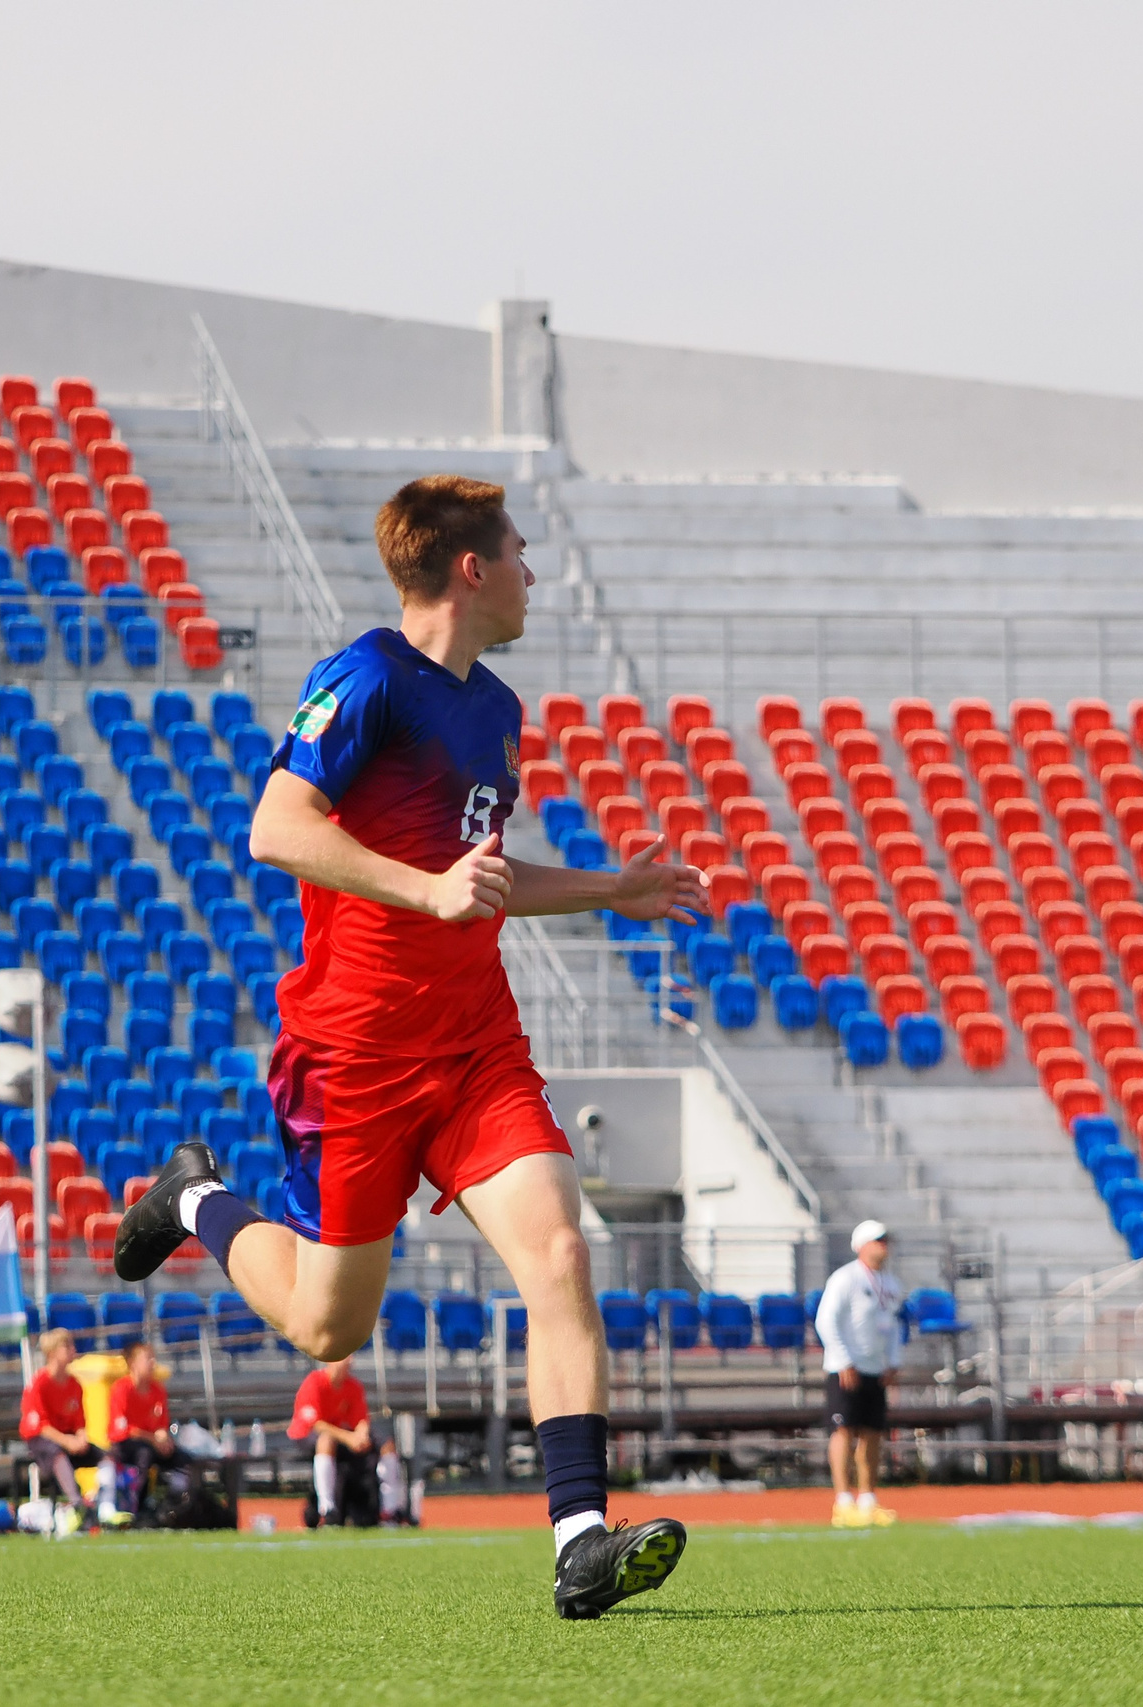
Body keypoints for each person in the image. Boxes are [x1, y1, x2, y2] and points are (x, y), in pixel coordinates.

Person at [114, 475, 705, 1617]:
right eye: (520, 553)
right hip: (355, 1061)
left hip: (477, 1050)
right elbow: (277, 825)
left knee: (562, 1259)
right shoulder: (366, 678)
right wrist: (422, 891)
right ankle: (195, 1201)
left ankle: (579, 1542)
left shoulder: (495, 709)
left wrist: (609, 890)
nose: (535, 572)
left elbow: (477, 882)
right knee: (328, 1328)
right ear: (470, 570)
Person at [815, 1219, 904, 1528]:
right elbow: (827, 1320)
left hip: (875, 1368)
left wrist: (893, 1361)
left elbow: (893, 1327)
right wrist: (843, 1361)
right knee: (844, 1431)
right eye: (878, 1240)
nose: (884, 1246)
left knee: (873, 1433)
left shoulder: (890, 1283)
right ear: (862, 1245)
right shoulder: (845, 1278)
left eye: (885, 1240)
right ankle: (843, 1502)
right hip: (847, 1369)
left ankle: (868, 1499)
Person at [17, 1328, 99, 1532]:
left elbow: (79, 1421)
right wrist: (67, 1441)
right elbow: (41, 1426)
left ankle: (104, 1505)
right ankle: (77, 1505)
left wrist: (81, 1437)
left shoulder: (74, 1384)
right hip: (42, 1439)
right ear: (52, 1352)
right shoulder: (39, 1384)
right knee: (58, 1454)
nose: (73, 1349)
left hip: (67, 1437)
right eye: (67, 1346)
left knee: (106, 1456)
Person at [290, 1354, 374, 1526]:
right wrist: (349, 1438)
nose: (348, 1362)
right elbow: (316, 1424)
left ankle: (390, 1512)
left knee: (382, 1445)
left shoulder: (353, 1386)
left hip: (338, 1436)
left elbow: (360, 1418)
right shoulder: (314, 1382)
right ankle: (326, 1509)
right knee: (326, 1441)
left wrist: (361, 1435)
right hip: (306, 1434)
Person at [105, 1338, 177, 1524]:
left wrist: (164, 1439)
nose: (153, 1363)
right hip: (125, 1445)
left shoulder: (157, 1390)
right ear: (133, 1363)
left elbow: (161, 1424)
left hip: (152, 1443)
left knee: (181, 1458)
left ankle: (178, 1505)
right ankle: (138, 1507)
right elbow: (123, 1429)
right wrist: (153, 1439)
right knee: (144, 1455)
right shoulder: (121, 1389)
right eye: (148, 1358)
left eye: (153, 1358)